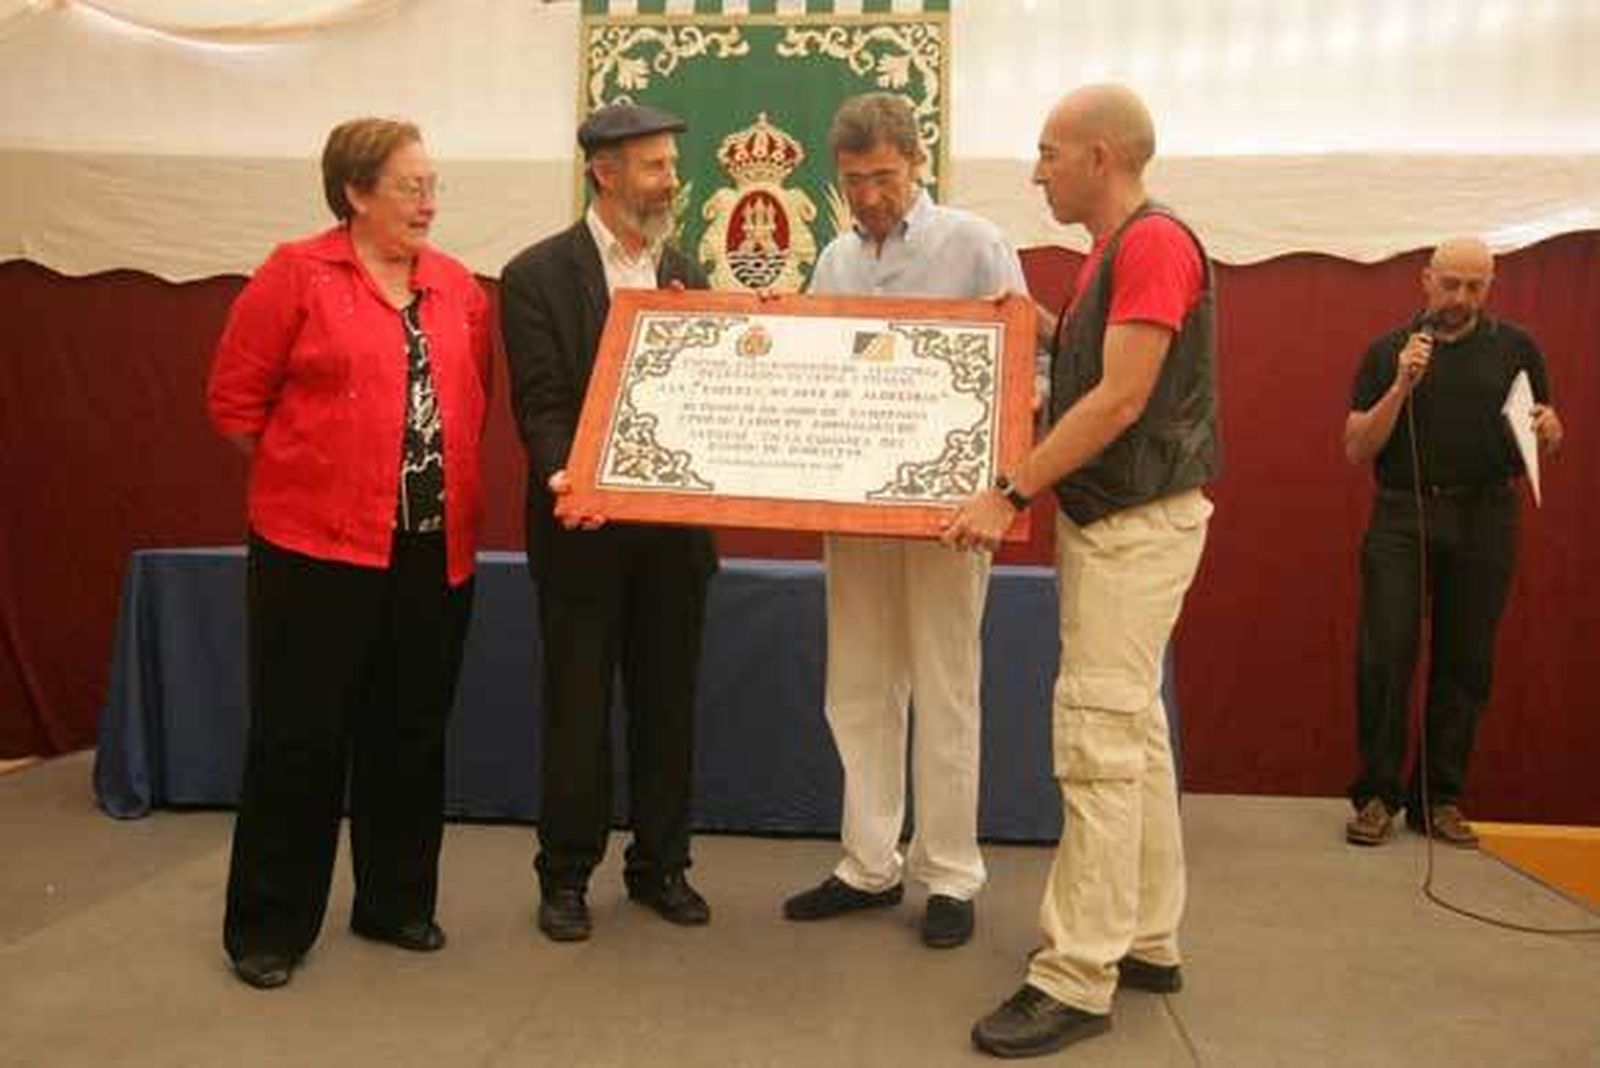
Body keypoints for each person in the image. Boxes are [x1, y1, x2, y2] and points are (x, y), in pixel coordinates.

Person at [943, 84, 1218, 1057]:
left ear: (1100, 157)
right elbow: (1107, 357)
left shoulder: (1150, 242)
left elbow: (1120, 399)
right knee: (1131, 732)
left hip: (1133, 524)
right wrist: (1034, 324)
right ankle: (1146, 933)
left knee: (1096, 743)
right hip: (1129, 520)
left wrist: (1007, 490)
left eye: (1049, 152)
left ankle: (1074, 975)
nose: (1036, 170)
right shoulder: (1123, 248)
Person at [207, 117, 492, 989]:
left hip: (432, 553)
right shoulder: (295, 274)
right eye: (410, 187)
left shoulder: (455, 287)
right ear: (356, 193)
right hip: (313, 552)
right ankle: (268, 926)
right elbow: (234, 402)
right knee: (300, 738)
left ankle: (395, 903)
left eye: (433, 184)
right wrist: (319, 475)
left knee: (410, 733)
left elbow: (467, 400)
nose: (429, 202)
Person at [780, 92, 1028, 951]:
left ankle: (952, 873)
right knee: (856, 684)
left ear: (917, 163)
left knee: (946, 685)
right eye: (855, 182)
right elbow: (808, 374)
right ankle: (869, 863)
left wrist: (992, 486)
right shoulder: (833, 261)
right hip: (853, 509)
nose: (871, 197)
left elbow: (1022, 376)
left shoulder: (975, 242)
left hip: (950, 512)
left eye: (884, 177)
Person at [500, 102, 716, 942]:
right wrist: (571, 479)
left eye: (669, 164)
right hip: (579, 532)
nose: (670, 180)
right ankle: (565, 878)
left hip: (674, 538)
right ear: (605, 172)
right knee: (577, 709)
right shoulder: (536, 275)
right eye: (655, 166)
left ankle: (662, 866)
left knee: (669, 705)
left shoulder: (687, 274)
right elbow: (543, 404)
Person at [1342, 237, 1563, 849]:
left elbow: (1544, 427)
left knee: (1466, 660)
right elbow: (1356, 446)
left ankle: (1437, 797)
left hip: (1487, 514)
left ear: (1490, 286)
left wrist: (1551, 429)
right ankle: (1379, 795)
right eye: (1451, 285)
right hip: (1403, 514)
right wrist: (1401, 387)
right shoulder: (1389, 351)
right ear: (1425, 281)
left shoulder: (1517, 349)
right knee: (1386, 653)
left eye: (1475, 286)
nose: (1461, 299)